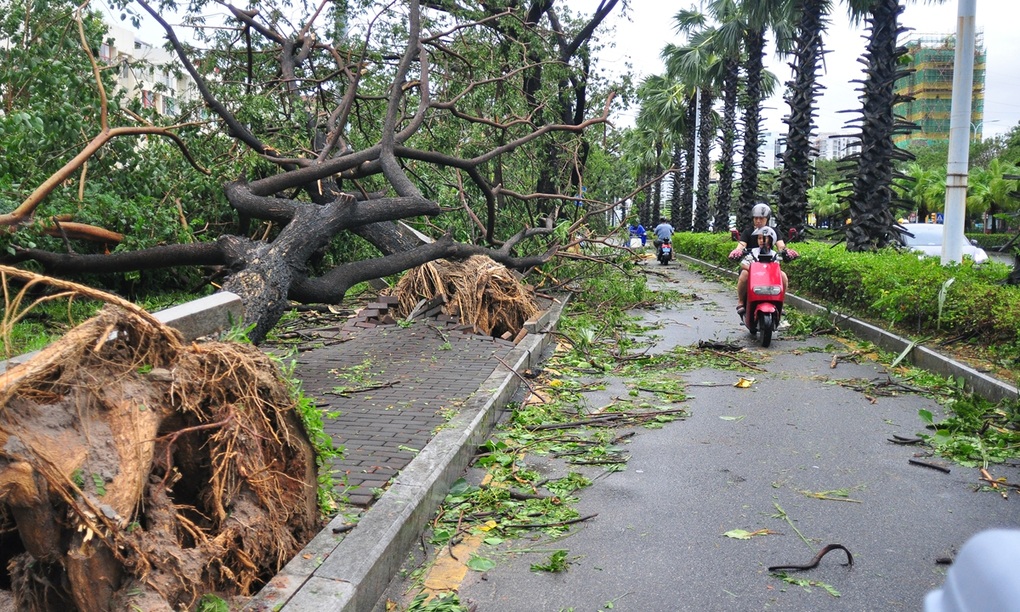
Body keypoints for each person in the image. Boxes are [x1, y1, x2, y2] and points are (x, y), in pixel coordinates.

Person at [729, 204, 796, 315]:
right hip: (751, 267)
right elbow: (741, 246)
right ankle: (741, 301)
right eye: (756, 218)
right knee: (744, 275)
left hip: (769, 269)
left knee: (783, 276)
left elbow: (781, 246)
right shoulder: (748, 232)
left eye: (761, 218)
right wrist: (737, 252)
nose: (758, 221)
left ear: (767, 219)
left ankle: (780, 303)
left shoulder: (774, 232)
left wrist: (787, 252)